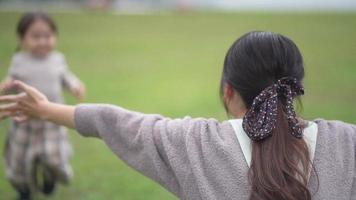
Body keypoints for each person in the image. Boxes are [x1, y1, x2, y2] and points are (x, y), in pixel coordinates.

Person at [1, 31, 355, 200]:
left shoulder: (197, 144)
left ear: (228, 90)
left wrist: (45, 109)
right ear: (295, 89)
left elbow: (116, 122)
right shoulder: (347, 143)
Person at [0, 12, 85, 200]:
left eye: (47, 36)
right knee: (19, 162)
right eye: (36, 36)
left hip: (51, 120)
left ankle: (50, 178)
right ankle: (23, 190)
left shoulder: (57, 59)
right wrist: (5, 86)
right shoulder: (19, 61)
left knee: (54, 158)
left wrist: (75, 85)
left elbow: (65, 77)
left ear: (55, 36)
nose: (42, 41)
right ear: (22, 39)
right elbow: (12, 81)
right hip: (24, 120)